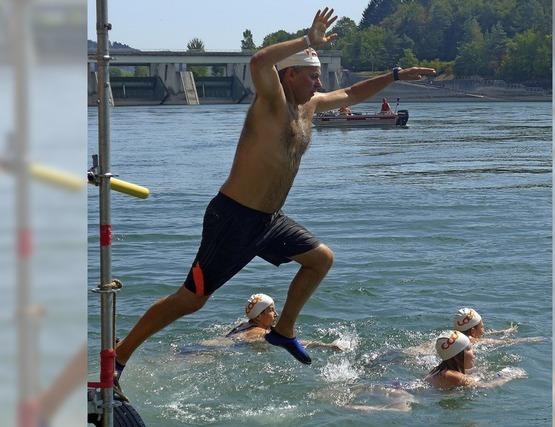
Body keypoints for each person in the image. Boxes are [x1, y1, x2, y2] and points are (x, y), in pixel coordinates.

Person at [113, 6, 436, 387]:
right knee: (191, 299)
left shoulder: (309, 106)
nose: (319, 84)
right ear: (290, 74)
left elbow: (350, 92)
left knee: (320, 260)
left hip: (269, 220)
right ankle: (118, 357)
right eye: (313, 76)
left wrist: (395, 75)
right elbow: (258, 59)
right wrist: (307, 40)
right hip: (233, 217)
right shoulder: (270, 100)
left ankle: (283, 330)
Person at [220, 293, 343, 350]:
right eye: (272, 310)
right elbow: (291, 342)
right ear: (258, 316)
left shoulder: (243, 325)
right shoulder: (261, 332)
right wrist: (326, 346)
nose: (276, 314)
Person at [426, 330, 527, 389]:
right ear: (457, 356)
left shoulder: (440, 370)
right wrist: (509, 376)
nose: (474, 352)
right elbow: (485, 386)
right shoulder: (452, 375)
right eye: (469, 349)